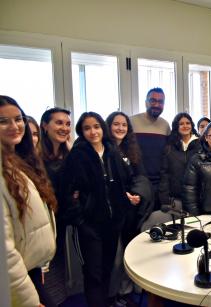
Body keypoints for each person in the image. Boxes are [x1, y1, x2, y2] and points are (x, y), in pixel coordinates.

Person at [59, 112, 136, 307]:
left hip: (112, 223)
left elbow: (124, 180)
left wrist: (123, 204)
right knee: (93, 273)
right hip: (89, 225)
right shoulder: (77, 155)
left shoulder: (111, 151)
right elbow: (67, 193)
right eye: (87, 128)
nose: (93, 132)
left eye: (96, 126)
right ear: (81, 132)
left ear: (103, 128)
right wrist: (80, 221)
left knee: (107, 269)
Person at [1, 95, 57, 307]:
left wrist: (37, 265)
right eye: (3, 121)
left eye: (18, 119)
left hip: (29, 269)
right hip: (14, 279)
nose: (14, 126)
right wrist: (29, 301)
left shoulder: (19, 163)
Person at [106, 111, 151, 304]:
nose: (120, 128)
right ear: (108, 126)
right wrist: (122, 195)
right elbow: (105, 181)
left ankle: (127, 291)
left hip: (131, 209)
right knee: (114, 258)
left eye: (124, 125)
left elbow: (140, 176)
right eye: (116, 124)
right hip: (111, 212)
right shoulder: (105, 150)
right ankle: (114, 294)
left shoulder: (130, 149)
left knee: (129, 251)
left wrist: (137, 195)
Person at [40, 107, 73, 305]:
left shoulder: (68, 153)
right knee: (44, 267)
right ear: (45, 126)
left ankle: (58, 300)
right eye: (59, 123)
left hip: (62, 218)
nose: (64, 127)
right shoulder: (35, 155)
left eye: (67, 124)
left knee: (58, 260)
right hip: (43, 220)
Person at [130, 87, 171, 228]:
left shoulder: (165, 126)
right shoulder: (131, 122)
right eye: (153, 100)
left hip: (159, 184)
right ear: (146, 102)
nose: (156, 104)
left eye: (160, 101)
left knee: (157, 224)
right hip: (138, 184)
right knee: (137, 225)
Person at [154, 113, 201, 224]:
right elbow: (164, 174)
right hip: (176, 199)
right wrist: (164, 199)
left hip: (197, 197)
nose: (185, 126)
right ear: (176, 126)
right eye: (181, 124)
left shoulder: (201, 145)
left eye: (187, 123)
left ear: (192, 125)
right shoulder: (169, 147)